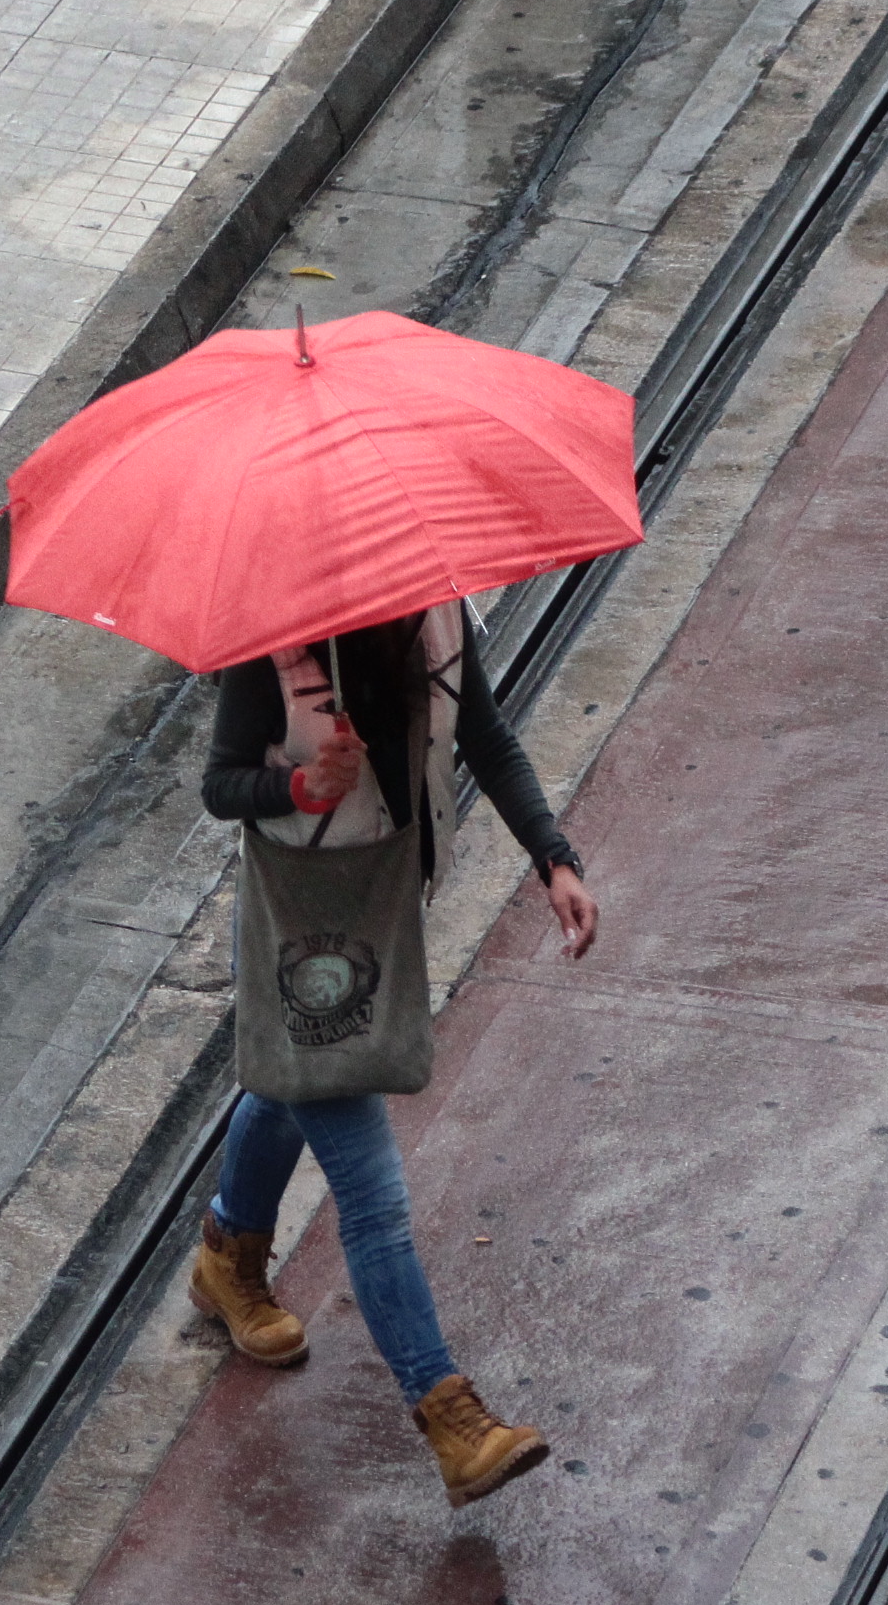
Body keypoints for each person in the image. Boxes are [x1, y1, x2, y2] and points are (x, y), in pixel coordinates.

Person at [189, 601, 598, 1506]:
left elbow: (484, 734)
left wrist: (555, 860)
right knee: (369, 1187)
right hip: (300, 916)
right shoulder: (272, 635)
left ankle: (227, 1254)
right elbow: (219, 784)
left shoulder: (438, 611)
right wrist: (300, 789)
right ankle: (449, 1412)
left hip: (384, 899)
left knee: (291, 1080)